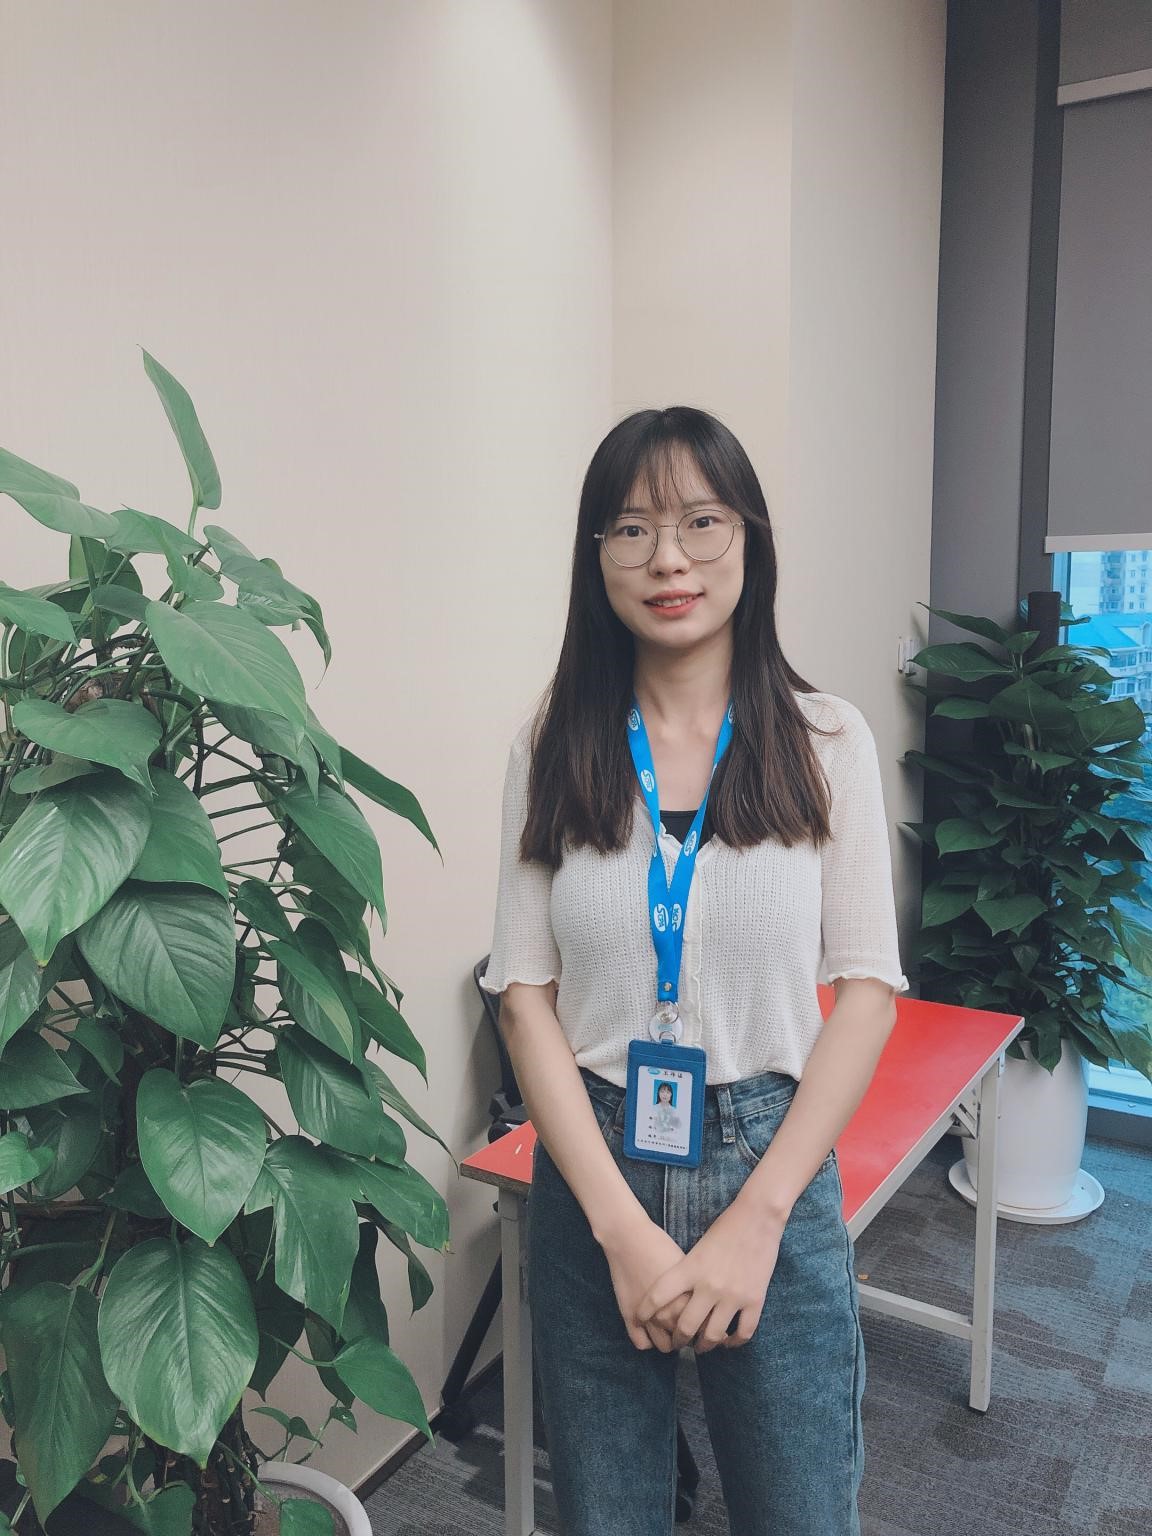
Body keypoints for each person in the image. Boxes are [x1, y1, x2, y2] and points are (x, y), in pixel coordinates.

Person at [479, 406, 910, 1536]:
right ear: (597, 558)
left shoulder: (826, 741)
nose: (669, 559)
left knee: (799, 1512)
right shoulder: (550, 744)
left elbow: (867, 992)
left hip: (772, 1157)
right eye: (632, 529)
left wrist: (760, 1219)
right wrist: (620, 1231)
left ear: (750, 538)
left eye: (701, 522)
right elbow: (523, 997)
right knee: (607, 1514)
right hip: (594, 1160)